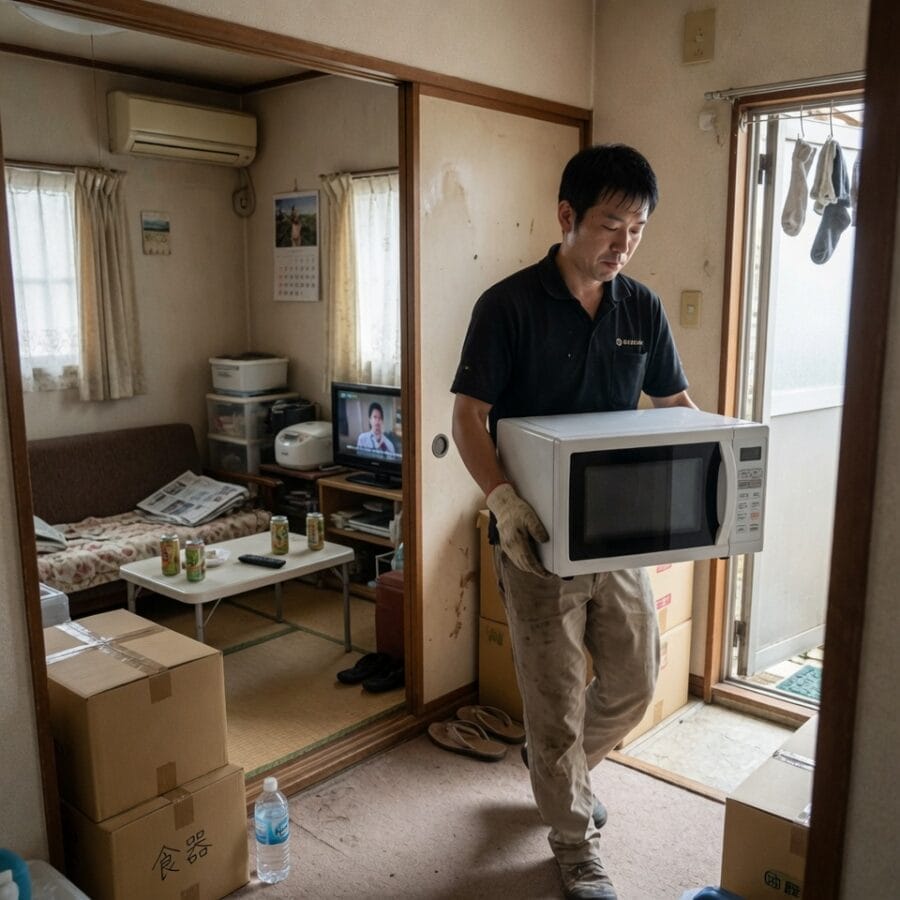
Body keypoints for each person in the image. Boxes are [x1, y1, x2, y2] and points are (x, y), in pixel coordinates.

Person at [450, 143, 696, 900]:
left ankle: (561, 774)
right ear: (567, 216)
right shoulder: (507, 305)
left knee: (635, 677)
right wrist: (503, 501)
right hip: (536, 540)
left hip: (616, 534)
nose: (624, 244)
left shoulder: (641, 308)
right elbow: (468, 418)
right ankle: (572, 839)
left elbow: (675, 408)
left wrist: (704, 487)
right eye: (611, 225)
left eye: (638, 229)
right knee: (553, 700)